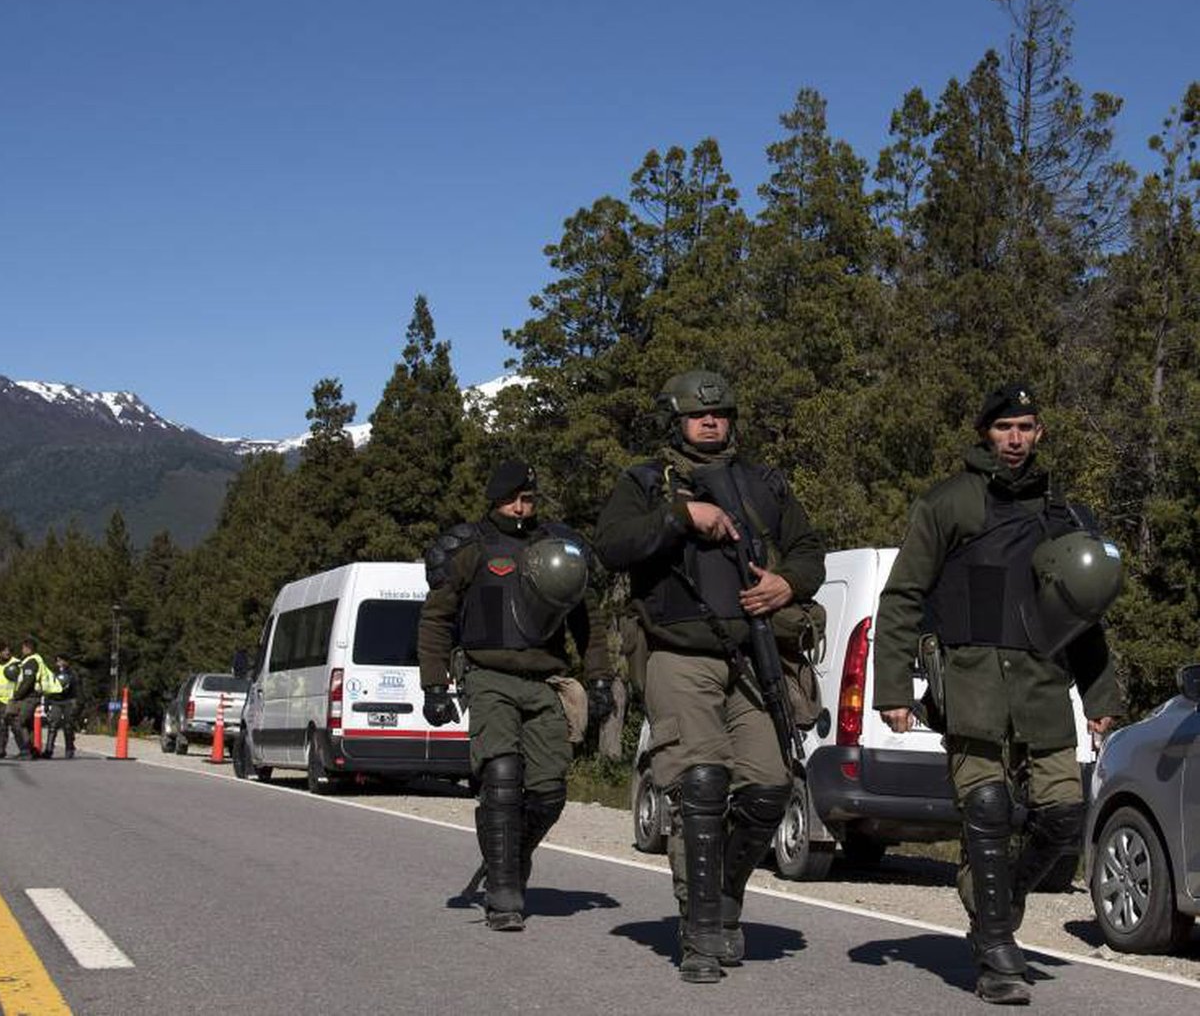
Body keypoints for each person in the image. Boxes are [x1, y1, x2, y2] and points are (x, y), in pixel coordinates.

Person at [874, 382, 1124, 1005]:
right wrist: (894, 687)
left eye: (1028, 428)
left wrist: (1100, 699)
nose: (1016, 439)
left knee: (1065, 815)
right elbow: (902, 596)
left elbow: (1083, 615)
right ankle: (995, 952)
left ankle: (1001, 901)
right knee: (985, 809)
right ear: (986, 432)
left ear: (1040, 433)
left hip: (1042, 686)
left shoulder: (1066, 516)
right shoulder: (949, 504)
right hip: (971, 682)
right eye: (1005, 427)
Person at [593, 370, 824, 983]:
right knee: (699, 785)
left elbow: (809, 552)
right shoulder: (645, 481)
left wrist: (788, 583)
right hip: (679, 650)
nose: (711, 422)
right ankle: (699, 932)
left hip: (755, 655)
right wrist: (679, 517)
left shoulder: (764, 482)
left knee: (768, 790)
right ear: (678, 420)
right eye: (699, 415)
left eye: (720, 413)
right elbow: (611, 545)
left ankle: (722, 895)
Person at [418, 458, 614, 932]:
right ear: (496, 498)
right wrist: (434, 685)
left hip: (544, 681)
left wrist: (600, 679)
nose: (521, 508)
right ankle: (505, 893)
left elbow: (587, 621)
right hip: (488, 676)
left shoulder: (557, 548)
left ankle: (510, 855)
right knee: (502, 776)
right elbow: (437, 618)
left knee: (549, 791)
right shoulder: (473, 549)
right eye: (513, 499)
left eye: (528, 499)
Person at [6, 637, 56, 759]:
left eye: (23, 647)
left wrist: (17, 696)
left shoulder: (31, 662)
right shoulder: (35, 660)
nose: (22, 650)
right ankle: (32, 750)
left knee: (18, 721)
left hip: (29, 697)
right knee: (28, 724)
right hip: (32, 696)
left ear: (28, 648)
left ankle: (26, 750)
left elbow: (28, 681)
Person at [42, 654, 79, 759]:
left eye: (62, 660)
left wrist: (77, 703)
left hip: (68, 701)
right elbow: (48, 688)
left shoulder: (72, 674)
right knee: (53, 725)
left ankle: (69, 749)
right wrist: (46, 703)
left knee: (68, 726)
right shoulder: (53, 673)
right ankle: (49, 749)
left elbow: (77, 689)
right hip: (56, 701)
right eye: (58, 661)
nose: (60, 663)